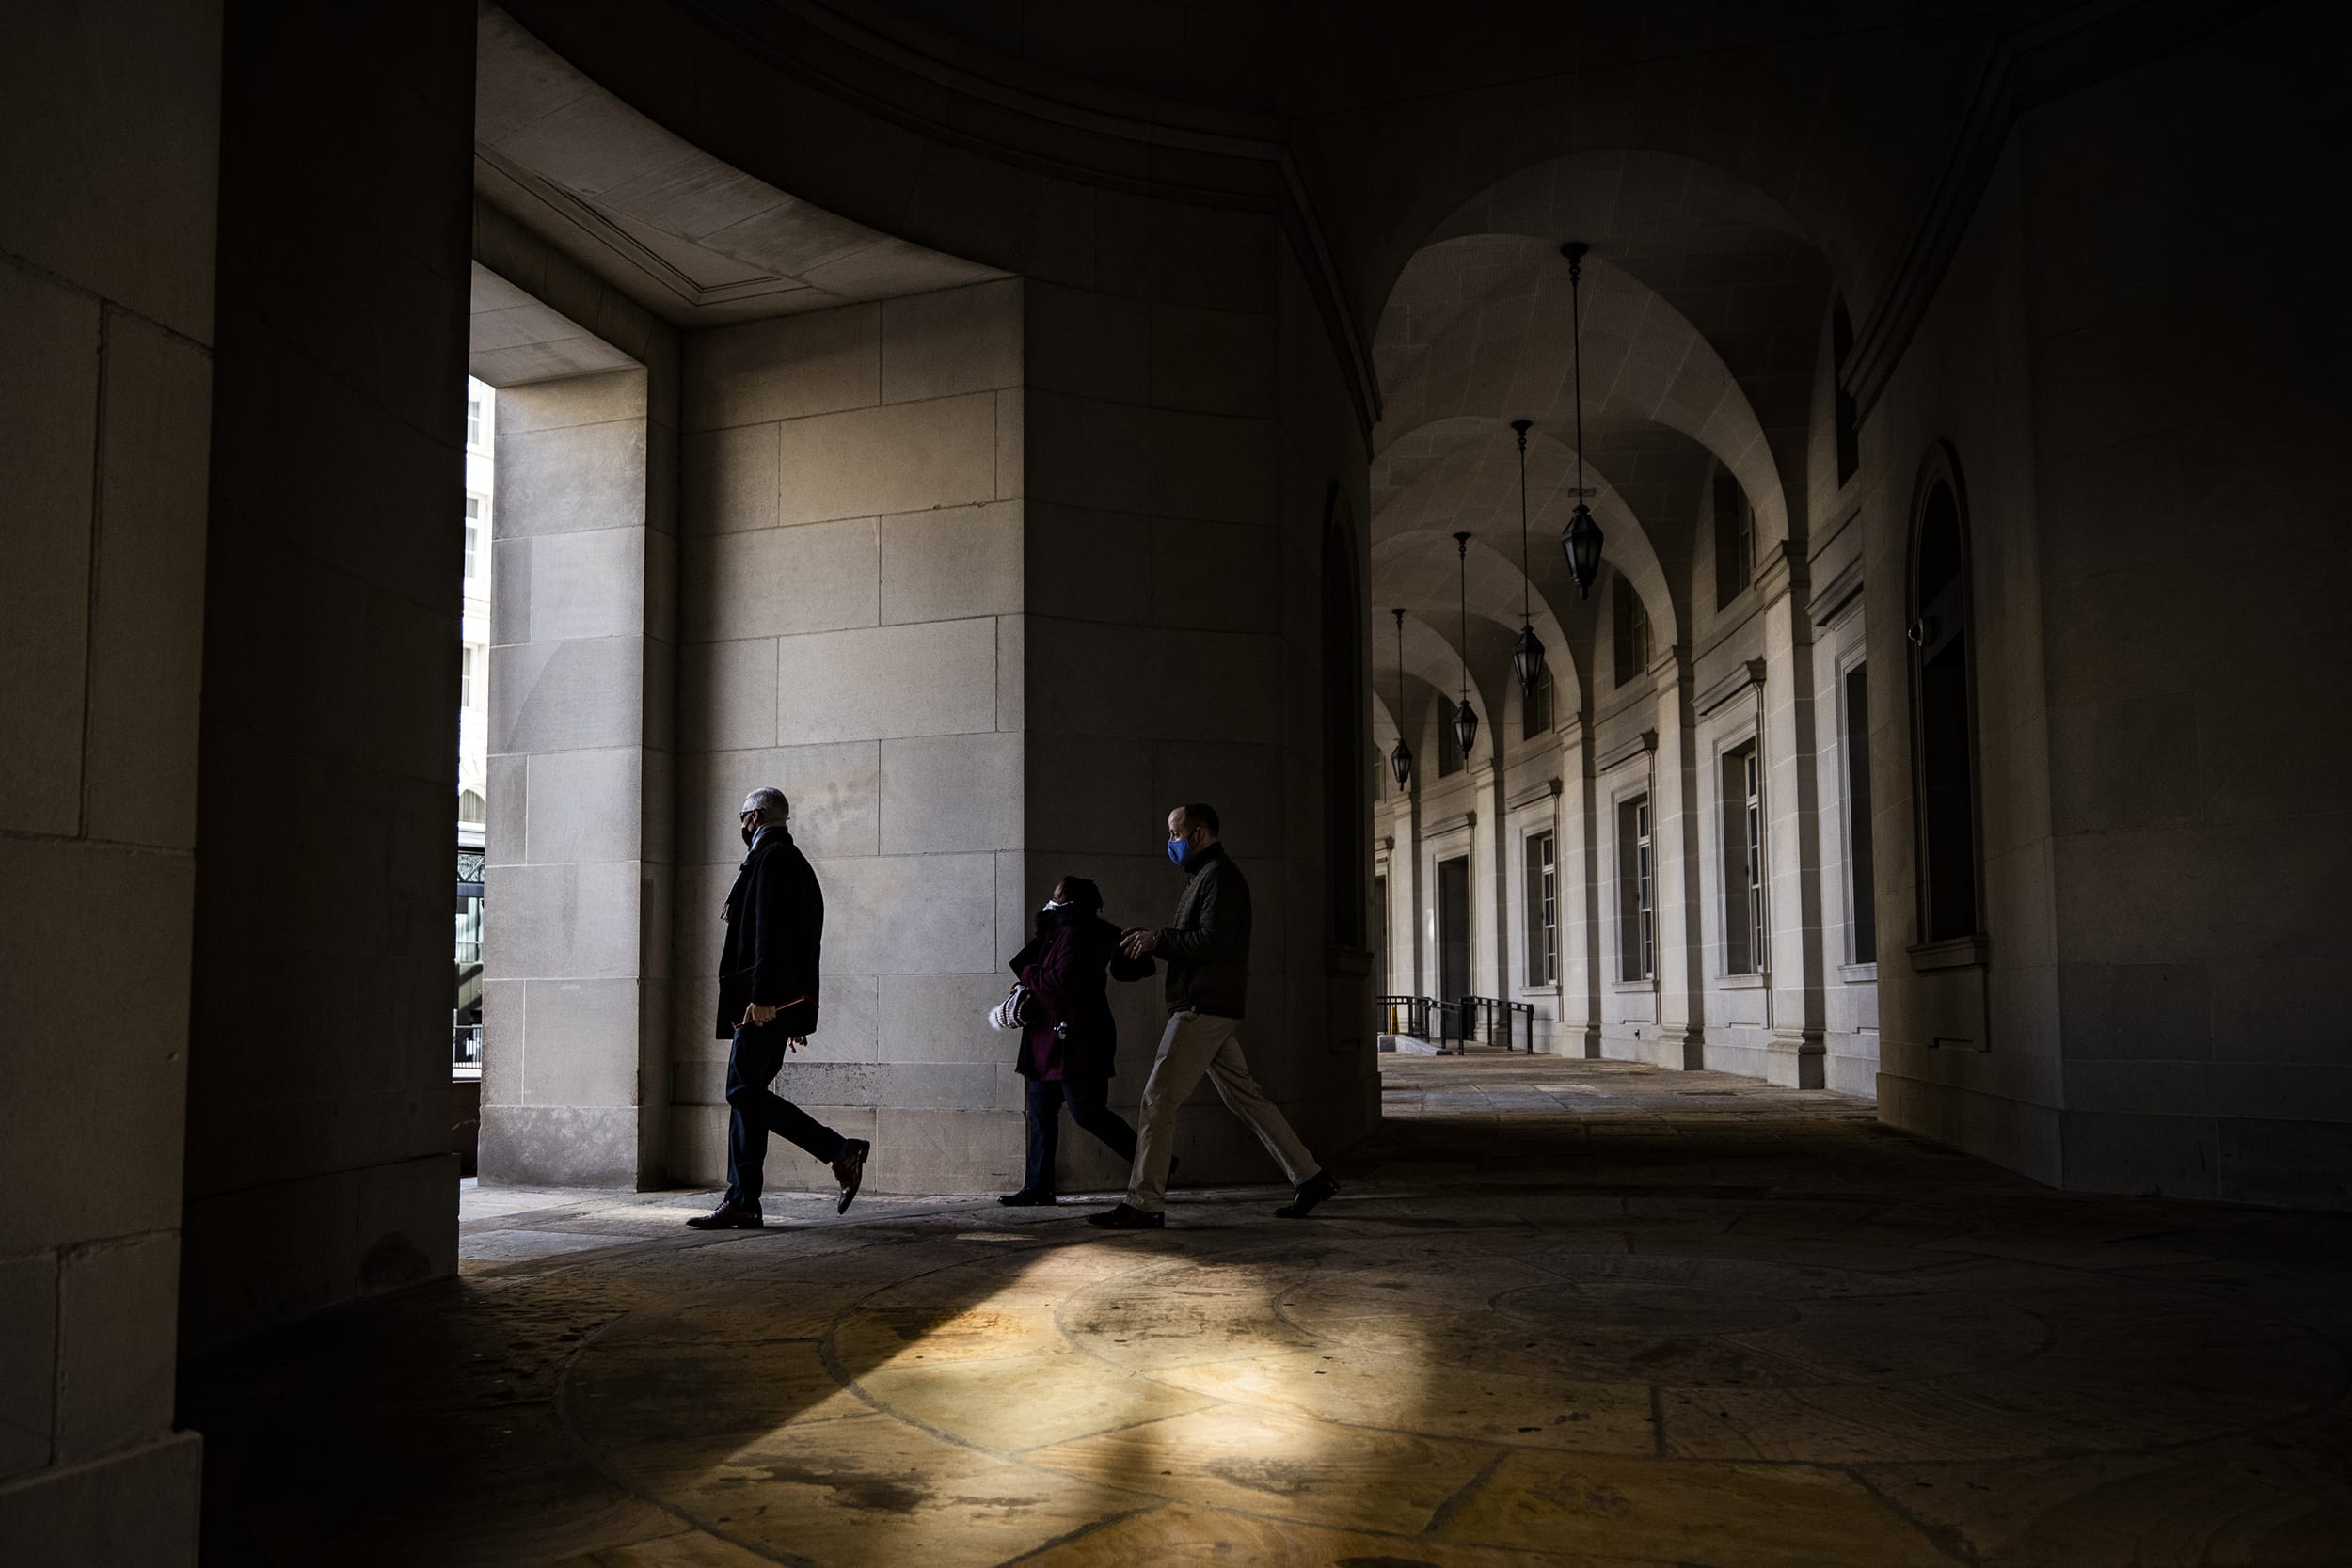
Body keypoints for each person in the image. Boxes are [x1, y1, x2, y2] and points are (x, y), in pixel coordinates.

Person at [1088, 803, 1339, 1229]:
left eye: (1174, 833)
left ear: (1199, 833)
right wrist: (1152, 938)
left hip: (1202, 1006)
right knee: (1246, 1098)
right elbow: (1200, 938)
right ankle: (1311, 1177)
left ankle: (1145, 1202)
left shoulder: (1220, 877)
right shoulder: (1207, 876)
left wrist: (1157, 941)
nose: (1170, 842)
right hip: (1211, 1005)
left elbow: (1213, 942)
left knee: (1158, 1098)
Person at [687, 787, 870, 1229]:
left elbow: (770, 933)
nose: (741, 823)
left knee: (741, 1092)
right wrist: (787, 1006)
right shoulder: (781, 858)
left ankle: (838, 1150)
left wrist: (768, 999)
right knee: (748, 1097)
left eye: (742, 816)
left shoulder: (774, 859)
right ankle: (744, 1201)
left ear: (754, 816)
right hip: (770, 1001)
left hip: (763, 1002)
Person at [998, 876, 1156, 1206]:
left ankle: (1157, 1166)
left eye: (1056, 895)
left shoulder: (1075, 934)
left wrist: (1027, 976)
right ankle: (1038, 1187)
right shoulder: (1060, 933)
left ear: (1071, 902)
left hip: (1074, 1042)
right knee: (1042, 1112)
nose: (1050, 900)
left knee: (1087, 1112)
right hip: (1052, 1042)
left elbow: (1059, 980)